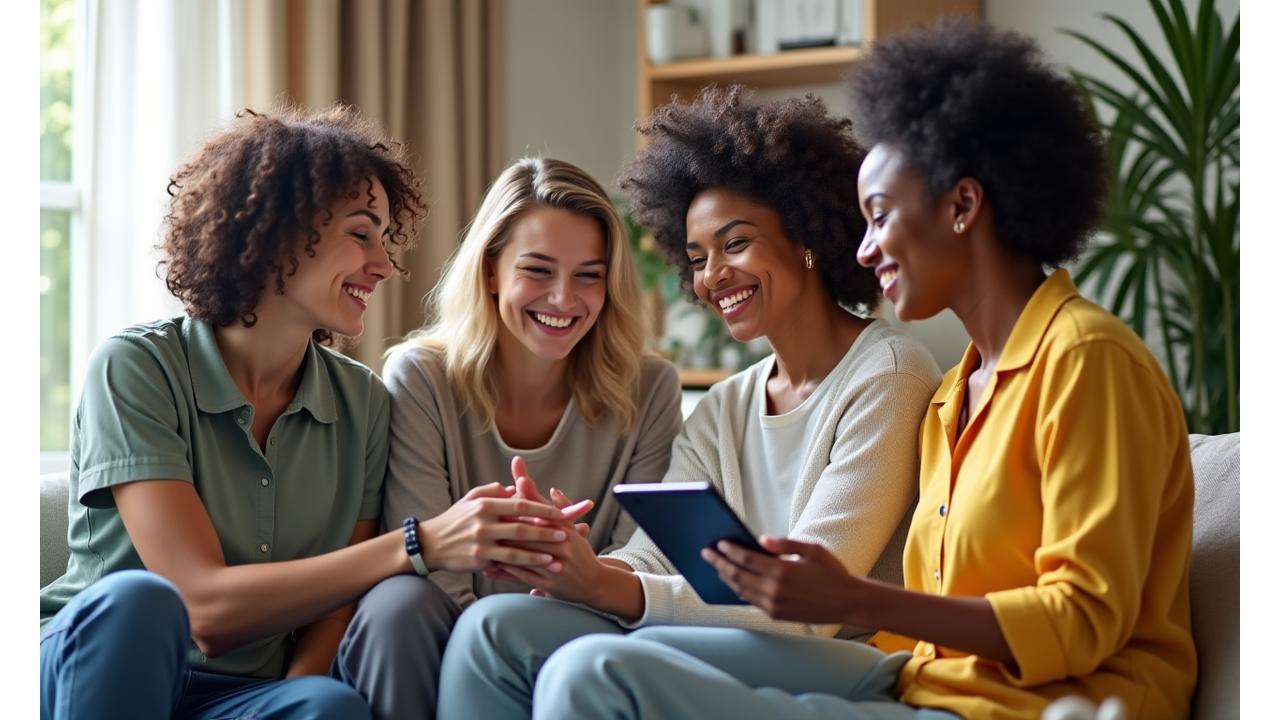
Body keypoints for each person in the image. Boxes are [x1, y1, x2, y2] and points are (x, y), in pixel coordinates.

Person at [490, 18, 1197, 720]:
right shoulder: (957, 395)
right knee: (528, 639)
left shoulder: (1083, 362)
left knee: (594, 672)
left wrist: (855, 600)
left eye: (880, 216)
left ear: (962, 206)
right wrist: (580, 566)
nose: (861, 251)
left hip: (1036, 706)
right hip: (925, 685)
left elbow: (1081, 622)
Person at [38, 106, 587, 720]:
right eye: (361, 233)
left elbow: (337, 604)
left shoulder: (364, 403)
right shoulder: (136, 368)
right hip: (97, 668)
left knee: (328, 706)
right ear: (276, 234)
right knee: (139, 602)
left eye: (384, 238)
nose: (383, 264)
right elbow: (202, 609)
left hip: (235, 699)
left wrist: (298, 699)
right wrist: (422, 542)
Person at [437, 86, 943, 719]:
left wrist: (609, 586)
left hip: (846, 655)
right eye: (698, 258)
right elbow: (653, 554)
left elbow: (812, 603)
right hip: (721, 633)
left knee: (586, 664)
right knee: (493, 626)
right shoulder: (724, 406)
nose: (712, 277)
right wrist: (574, 556)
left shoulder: (888, 373)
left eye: (735, 244)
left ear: (806, 235)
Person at [377, 156, 684, 712]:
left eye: (588, 275)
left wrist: (572, 567)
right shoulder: (419, 377)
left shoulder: (651, 387)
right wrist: (488, 644)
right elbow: (425, 558)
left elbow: (643, 559)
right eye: (538, 270)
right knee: (398, 603)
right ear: (491, 270)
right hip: (449, 639)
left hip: (580, 637)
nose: (564, 299)